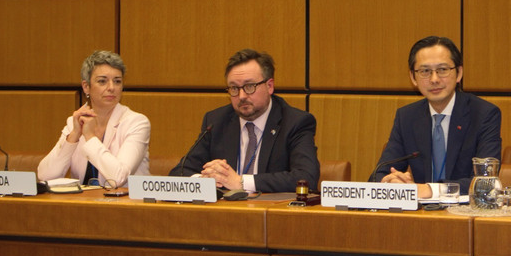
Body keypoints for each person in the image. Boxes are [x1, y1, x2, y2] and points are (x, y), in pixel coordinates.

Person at [169, 49, 319, 193]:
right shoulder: (216, 121)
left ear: (269, 86)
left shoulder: (295, 122)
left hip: (269, 213)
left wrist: (241, 182)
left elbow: (306, 177)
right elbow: (179, 171)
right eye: (234, 88)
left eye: (249, 86)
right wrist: (207, 180)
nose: (241, 96)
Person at [374, 36, 502, 197]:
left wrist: (429, 190)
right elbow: (379, 174)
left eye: (442, 70)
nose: (434, 79)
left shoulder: (484, 114)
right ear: (413, 77)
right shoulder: (407, 117)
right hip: (421, 215)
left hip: (464, 215)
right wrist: (391, 182)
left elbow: (486, 182)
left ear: (459, 73)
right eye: (425, 71)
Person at [38, 50, 150, 187]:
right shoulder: (75, 121)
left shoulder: (136, 122)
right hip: (84, 204)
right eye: (102, 81)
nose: (111, 88)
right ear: (86, 87)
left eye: (117, 81)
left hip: (125, 204)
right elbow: (45, 175)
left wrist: (90, 137)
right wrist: (73, 136)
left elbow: (118, 178)